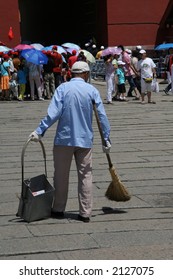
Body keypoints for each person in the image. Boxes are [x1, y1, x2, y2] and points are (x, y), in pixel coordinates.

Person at [28, 61, 111, 223]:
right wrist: (106, 139)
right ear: (86, 74)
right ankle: (85, 212)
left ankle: (58, 208)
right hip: (85, 140)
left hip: (64, 139)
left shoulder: (63, 89)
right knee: (86, 175)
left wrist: (39, 131)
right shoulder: (92, 90)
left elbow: (53, 113)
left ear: (72, 73)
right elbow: (102, 117)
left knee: (60, 175)